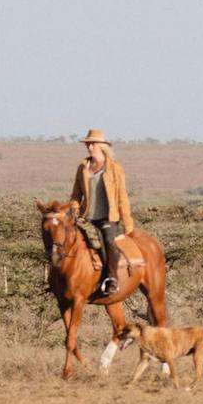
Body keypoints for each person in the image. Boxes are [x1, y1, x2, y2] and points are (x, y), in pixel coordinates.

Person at [70, 128, 136, 303]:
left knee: (108, 241)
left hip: (107, 217)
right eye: (87, 143)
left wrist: (128, 223)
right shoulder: (83, 167)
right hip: (86, 217)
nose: (89, 146)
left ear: (101, 146)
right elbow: (76, 195)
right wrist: (74, 209)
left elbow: (122, 196)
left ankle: (112, 278)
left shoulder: (115, 168)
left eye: (92, 143)